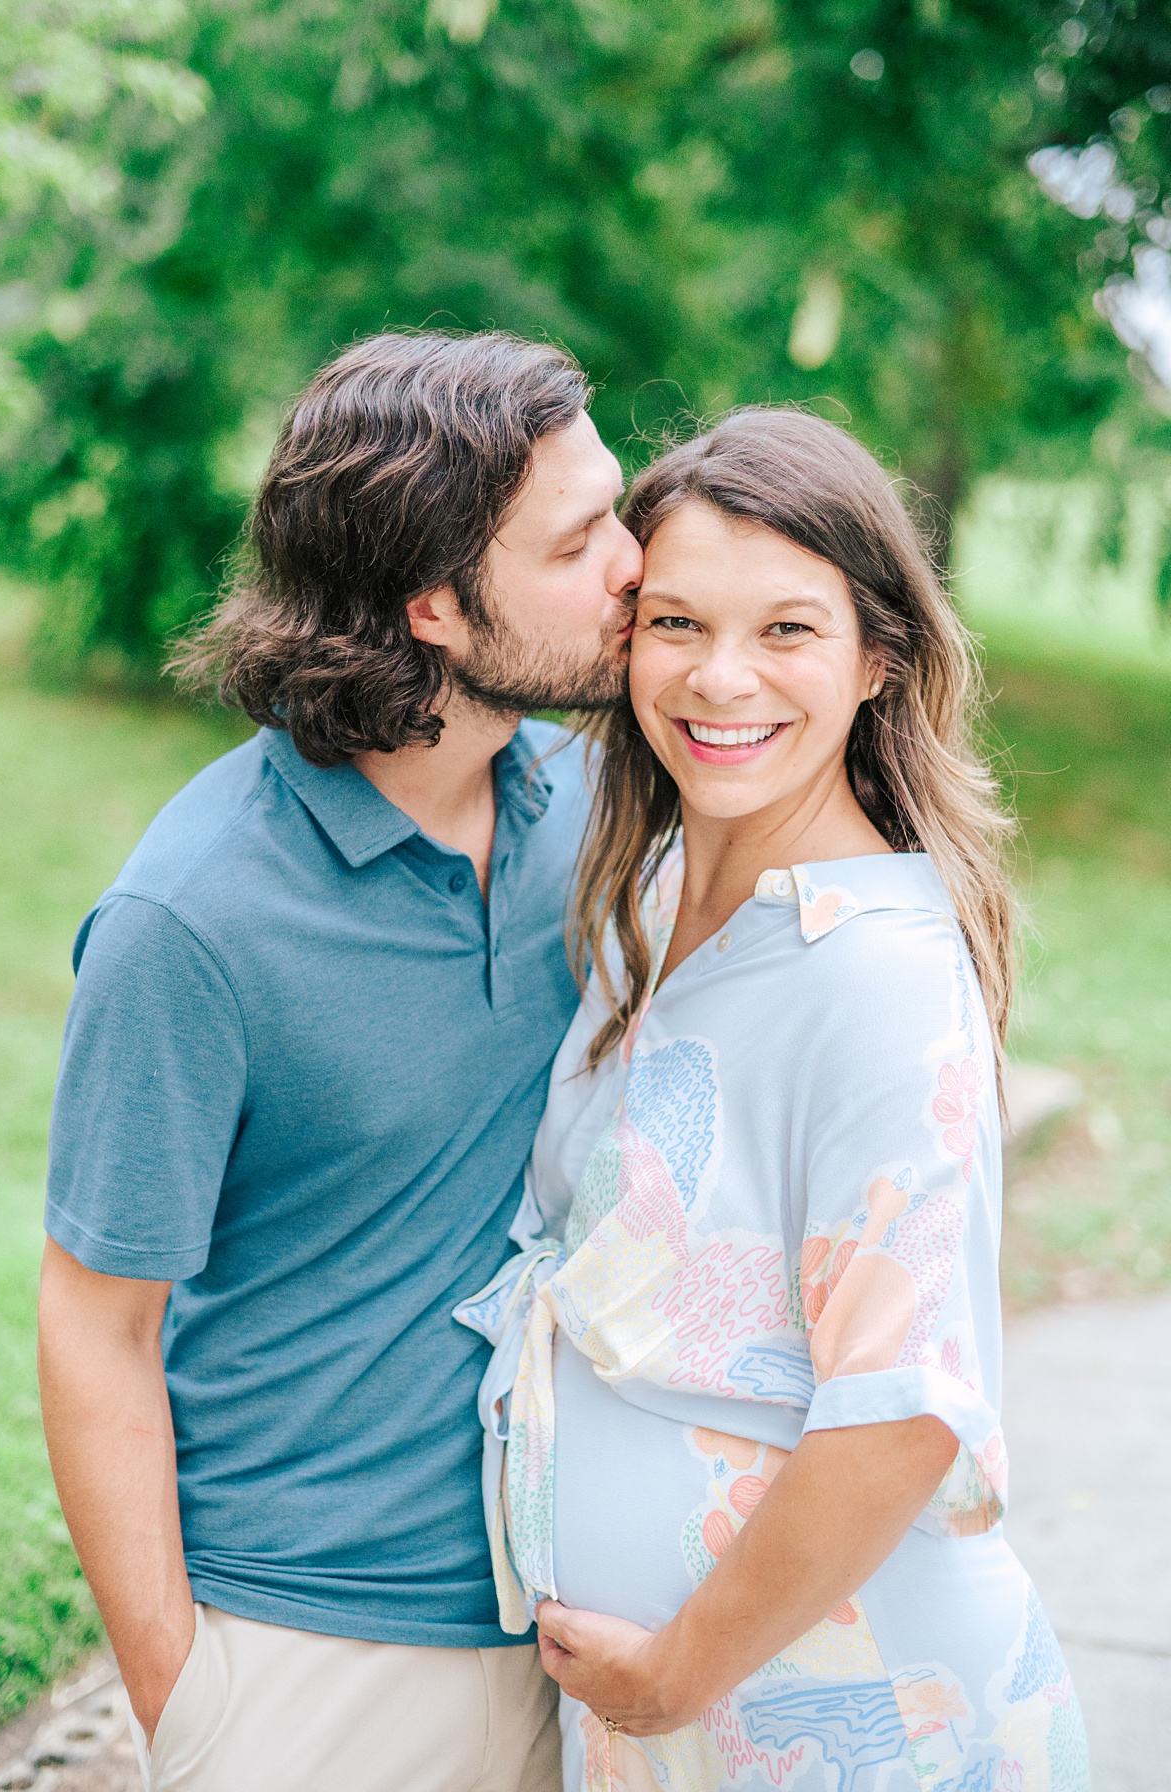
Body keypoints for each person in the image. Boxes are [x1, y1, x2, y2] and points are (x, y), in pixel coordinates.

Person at [39, 330, 642, 1791]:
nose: (635, 563)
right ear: (434, 602)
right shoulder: (190, 921)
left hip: (578, 1626)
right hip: (313, 1664)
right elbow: (91, 1322)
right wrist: (187, 1696)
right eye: (579, 543)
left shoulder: (588, 804)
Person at [456, 408, 1087, 1788]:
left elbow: (905, 1410)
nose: (720, 679)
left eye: (788, 632)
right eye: (676, 623)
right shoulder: (655, 886)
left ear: (879, 661)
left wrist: (673, 1677)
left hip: (849, 1718)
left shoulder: (876, 980)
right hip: (669, 1723)